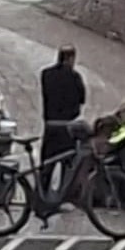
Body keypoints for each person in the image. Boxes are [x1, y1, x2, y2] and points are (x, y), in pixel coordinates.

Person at [40, 45, 86, 193]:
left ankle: (41, 194)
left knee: (46, 164)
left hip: (50, 126)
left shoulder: (46, 74)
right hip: (67, 128)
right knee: (68, 165)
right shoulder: (75, 77)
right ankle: (63, 195)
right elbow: (82, 99)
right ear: (71, 58)